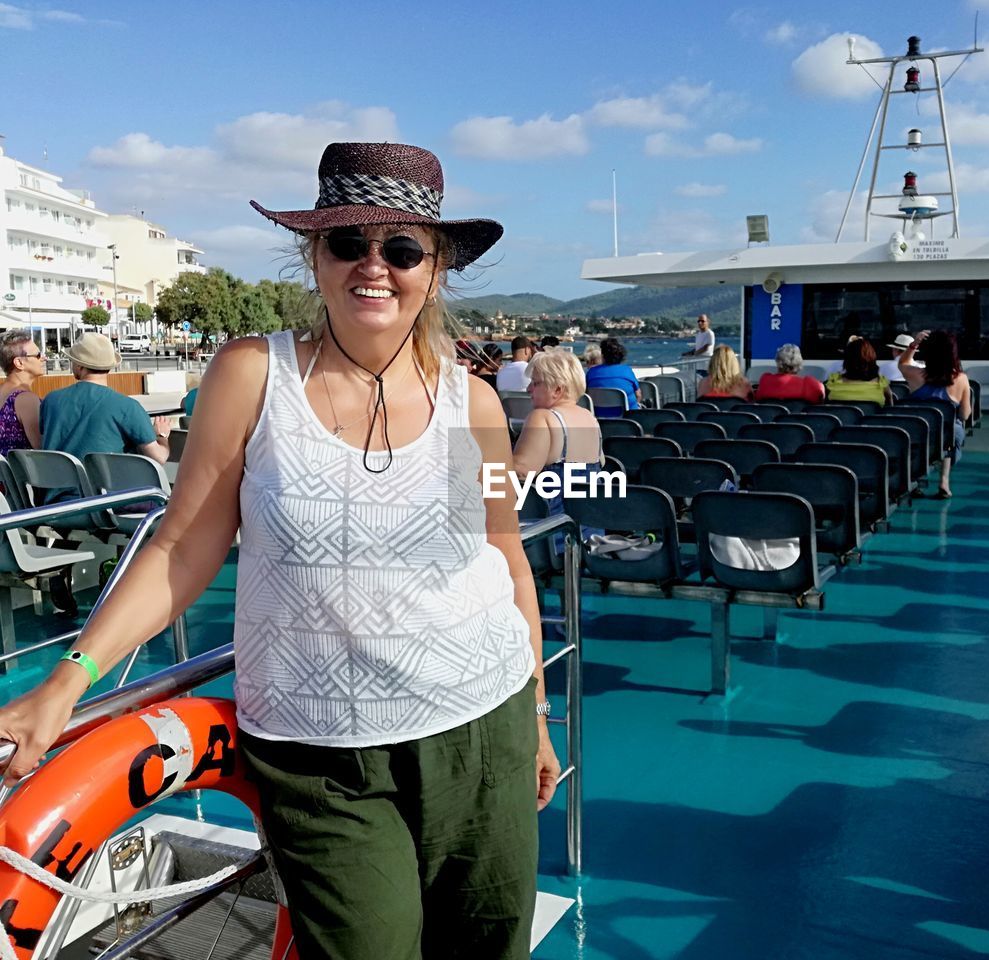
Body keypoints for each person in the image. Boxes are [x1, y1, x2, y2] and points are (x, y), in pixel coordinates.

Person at [0, 142, 558, 960]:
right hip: (319, 753)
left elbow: (506, 559)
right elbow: (184, 544)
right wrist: (67, 680)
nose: (375, 266)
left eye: (401, 249)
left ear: (434, 271)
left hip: (482, 725)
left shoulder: (471, 402)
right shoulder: (254, 374)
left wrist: (538, 714)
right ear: (315, 257)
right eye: (347, 243)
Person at [513, 349, 602, 546]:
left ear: (557, 390)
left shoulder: (543, 417)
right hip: (590, 536)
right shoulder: (591, 419)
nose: (528, 389)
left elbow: (520, 472)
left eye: (535, 383)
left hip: (553, 537)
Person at [40, 332, 171, 466]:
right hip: (105, 486)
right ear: (109, 366)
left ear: (79, 365)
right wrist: (162, 436)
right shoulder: (128, 407)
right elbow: (159, 457)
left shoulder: (51, 400)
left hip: (56, 486)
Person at [898, 331, 971, 499]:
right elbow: (965, 414)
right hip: (947, 435)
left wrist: (914, 344)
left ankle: (916, 479)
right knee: (948, 432)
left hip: (918, 433)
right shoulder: (961, 378)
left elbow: (902, 363)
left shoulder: (915, 375)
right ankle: (944, 481)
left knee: (924, 434)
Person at [0, 331, 44, 456]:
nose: (43, 358)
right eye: (37, 355)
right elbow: (43, 450)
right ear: (19, 363)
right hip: (19, 475)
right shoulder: (25, 400)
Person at [826, 337, 893, 405]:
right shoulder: (881, 382)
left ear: (847, 359)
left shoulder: (833, 381)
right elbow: (889, 406)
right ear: (871, 358)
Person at [585, 337, 641, 416]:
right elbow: (638, 395)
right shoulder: (627, 371)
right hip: (628, 420)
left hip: (599, 420)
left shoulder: (592, 373)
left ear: (603, 356)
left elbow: (587, 395)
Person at [756, 344, 824, 404]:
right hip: (797, 418)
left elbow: (758, 399)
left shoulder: (765, 380)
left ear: (777, 361)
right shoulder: (808, 383)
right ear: (799, 363)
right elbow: (820, 397)